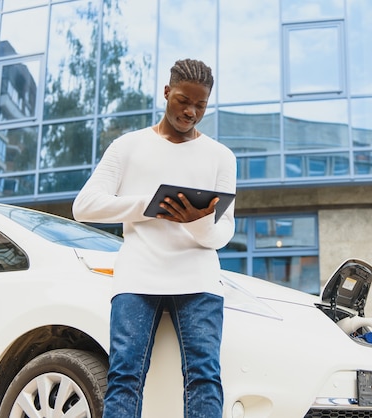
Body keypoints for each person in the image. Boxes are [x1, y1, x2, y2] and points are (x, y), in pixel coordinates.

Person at [72, 58, 236, 418]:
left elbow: (224, 232)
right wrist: (149, 204)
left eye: (201, 105)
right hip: (137, 274)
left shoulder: (221, 157)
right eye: (183, 100)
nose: (191, 111)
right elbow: (84, 206)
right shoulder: (127, 146)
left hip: (198, 276)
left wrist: (195, 222)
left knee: (205, 378)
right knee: (124, 377)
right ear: (166, 92)